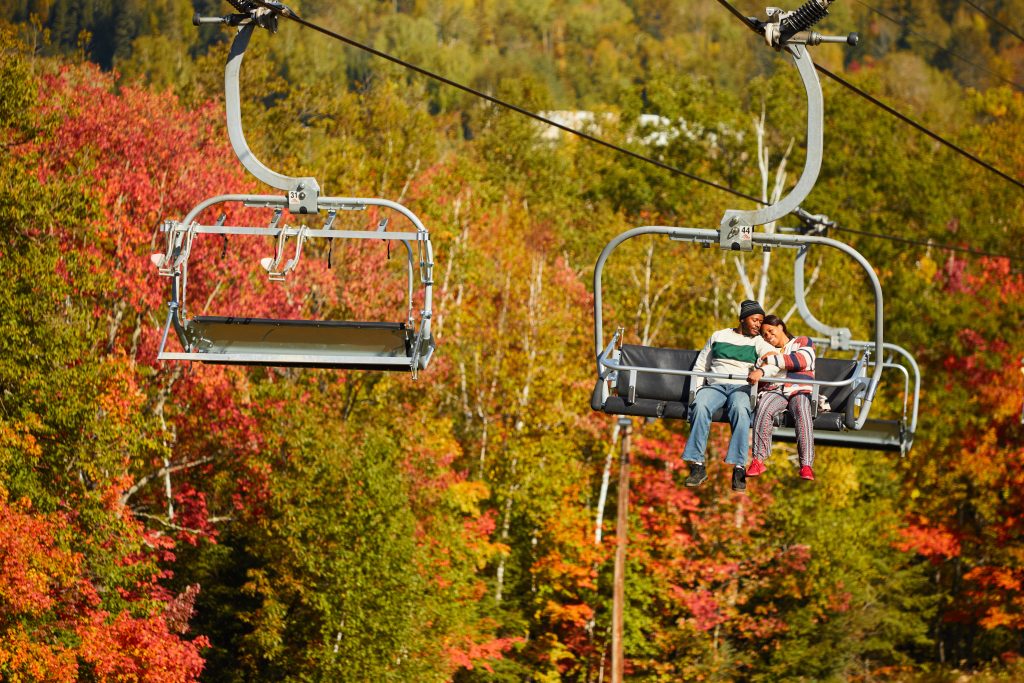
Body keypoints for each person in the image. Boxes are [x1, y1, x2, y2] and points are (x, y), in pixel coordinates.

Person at [682, 300, 777, 492]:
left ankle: (739, 467)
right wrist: (696, 392)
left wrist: (762, 372)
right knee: (700, 406)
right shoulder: (719, 336)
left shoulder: (758, 342)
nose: (759, 325)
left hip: (741, 387)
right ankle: (697, 465)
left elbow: (774, 361)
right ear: (742, 319)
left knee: (741, 410)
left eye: (760, 321)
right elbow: (701, 366)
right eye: (755, 320)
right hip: (715, 385)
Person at [745, 314, 817, 481]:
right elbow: (761, 373)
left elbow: (801, 360)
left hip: (799, 389)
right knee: (764, 406)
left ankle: (806, 464)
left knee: (801, 409)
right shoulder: (768, 351)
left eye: (770, 331)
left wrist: (772, 359)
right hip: (777, 390)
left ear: (780, 327)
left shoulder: (802, 342)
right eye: (765, 335)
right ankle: (758, 459)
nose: (769, 337)